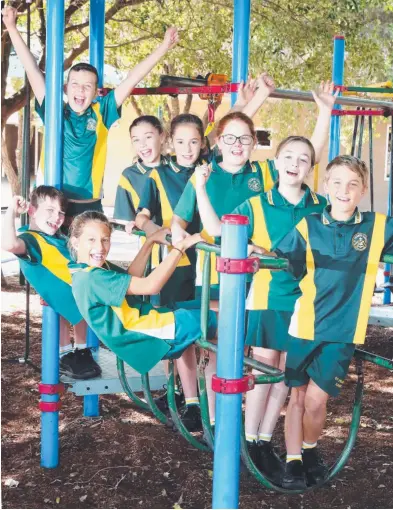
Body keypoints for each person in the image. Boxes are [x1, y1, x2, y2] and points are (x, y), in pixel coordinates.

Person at [174, 81, 336, 429]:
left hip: (258, 279)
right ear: (218, 142)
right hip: (221, 275)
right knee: (219, 349)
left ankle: (250, 432)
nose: (237, 145)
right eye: (229, 139)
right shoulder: (203, 175)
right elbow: (200, 225)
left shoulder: (262, 173)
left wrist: (324, 113)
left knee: (260, 359)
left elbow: (306, 156)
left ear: (254, 144)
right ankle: (216, 422)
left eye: (245, 139)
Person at [269, 155, 393, 489]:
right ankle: (294, 461)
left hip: (342, 330)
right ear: (326, 187)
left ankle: (309, 449)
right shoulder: (308, 224)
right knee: (296, 397)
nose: (344, 190)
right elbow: (280, 260)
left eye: (353, 184)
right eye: (337, 182)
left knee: (315, 400)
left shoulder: (378, 226)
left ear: (363, 189)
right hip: (305, 324)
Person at [1, 5, 179, 224]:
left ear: (96, 92)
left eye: (88, 86)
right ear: (66, 88)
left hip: (87, 204)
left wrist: (162, 48)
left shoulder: (102, 111)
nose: (81, 90)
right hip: (51, 201)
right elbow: (32, 70)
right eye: (75, 84)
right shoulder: (55, 110)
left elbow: (132, 78)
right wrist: (11, 26)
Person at [68, 211, 217, 392]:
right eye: (91, 240)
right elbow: (151, 286)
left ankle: (201, 402)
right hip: (146, 334)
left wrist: (150, 241)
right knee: (219, 322)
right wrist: (180, 248)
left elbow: (129, 278)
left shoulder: (87, 270)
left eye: (105, 239)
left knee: (212, 306)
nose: (100, 247)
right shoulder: (92, 278)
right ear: (75, 243)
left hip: (149, 319)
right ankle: (213, 407)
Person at [1, 186, 100, 379]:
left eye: (61, 212)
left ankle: (80, 351)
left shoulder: (56, 237)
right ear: (32, 210)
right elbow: (8, 244)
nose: (57, 217)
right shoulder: (30, 239)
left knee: (79, 307)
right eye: (50, 210)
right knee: (68, 308)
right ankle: (67, 354)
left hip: (78, 291)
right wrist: (12, 210)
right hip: (66, 291)